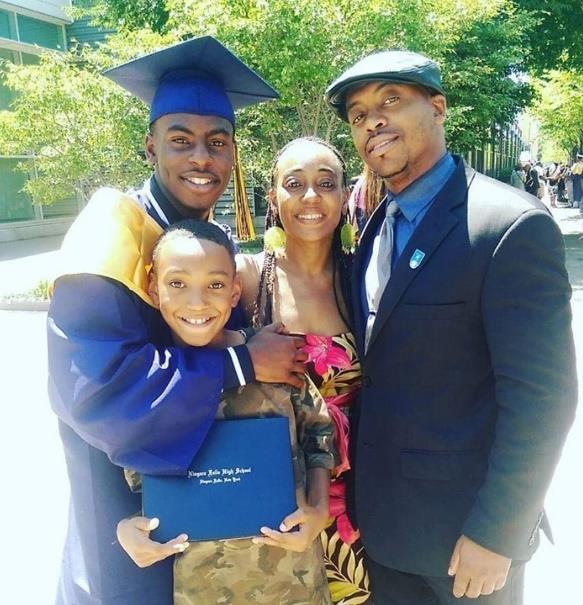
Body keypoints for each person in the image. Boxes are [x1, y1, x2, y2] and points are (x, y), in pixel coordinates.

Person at [47, 37, 307, 605]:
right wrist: (241, 362)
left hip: (208, 515)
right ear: (151, 147)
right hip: (127, 514)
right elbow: (95, 393)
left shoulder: (201, 238)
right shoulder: (109, 235)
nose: (201, 159)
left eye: (217, 142)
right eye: (180, 140)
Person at [325, 50, 577, 604]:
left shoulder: (507, 226)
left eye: (391, 100)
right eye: (359, 115)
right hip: (384, 531)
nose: (373, 122)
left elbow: (543, 397)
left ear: (437, 107)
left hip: (466, 544)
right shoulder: (375, 229)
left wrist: (499, 532)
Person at [117, 219, 335, 605]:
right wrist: (124, 528)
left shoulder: (276, 357)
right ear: (153, 288)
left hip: (293, 582)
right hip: (198, 589)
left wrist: (318, 508)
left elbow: (319, 433)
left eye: (215, 285)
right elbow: (132, 478)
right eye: (177, 283)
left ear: (235, 291)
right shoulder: (148, 381)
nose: (197, 302)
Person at [238, 137, 371, 603]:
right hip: (276, 496)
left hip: (356, 498)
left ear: (344, 195)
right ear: (273, 198)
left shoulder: (365, 280)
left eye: (326, 184)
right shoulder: (245, 279)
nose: (311, 196)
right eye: (294, 184)